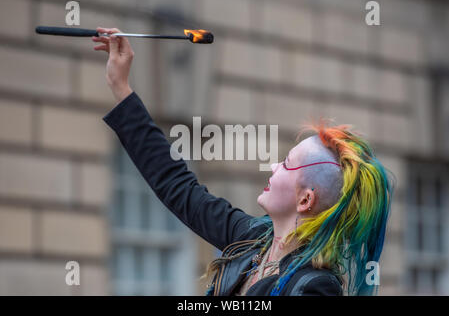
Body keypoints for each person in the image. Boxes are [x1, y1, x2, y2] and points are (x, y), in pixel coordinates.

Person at [93, 27, 393, 296]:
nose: (274, 167)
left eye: (287, 163)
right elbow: (177, 185)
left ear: (305, 199)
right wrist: (121, 88)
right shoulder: (250, 240)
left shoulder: (316, 287)